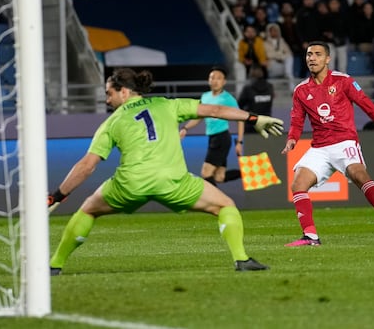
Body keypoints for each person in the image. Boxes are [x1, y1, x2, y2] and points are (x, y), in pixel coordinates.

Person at [47, 68, 284, 274]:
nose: (107, 100)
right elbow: (216, 111)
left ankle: (55, 265)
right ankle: (241, 259)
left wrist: (58, 195)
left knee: (88, 211)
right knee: (225, 205)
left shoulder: (111, 122)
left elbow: (87, 165)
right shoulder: (167, 104)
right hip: (174, 182)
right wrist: (254, 118)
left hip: (130, 184)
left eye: (109, 93)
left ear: (124, 91)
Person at [281, 42, 374, 246]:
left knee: (358, 173)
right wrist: (292, 139)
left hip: (344, 141)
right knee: (298, 184)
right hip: (319, 147)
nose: (312, 58)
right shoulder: (301, 90)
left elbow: (367, 104)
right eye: (309, 54)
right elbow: (296, 120)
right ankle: (311, 236)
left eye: (317, 54)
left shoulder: (343, 81)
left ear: (327, 59)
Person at [180, 67, 245, 186]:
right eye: (212, 78)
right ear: (208, 80)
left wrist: (240, 142)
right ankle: (246, 173)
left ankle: (219, 203)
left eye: (218, 78)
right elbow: (199, 117)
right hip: (212, 138)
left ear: (224, 82)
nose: (215, 81)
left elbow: (241, 119)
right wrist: (185, 128)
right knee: (220, 177)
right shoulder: (205, 97)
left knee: (206, 173)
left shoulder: (228, 99)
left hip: (221, 138)